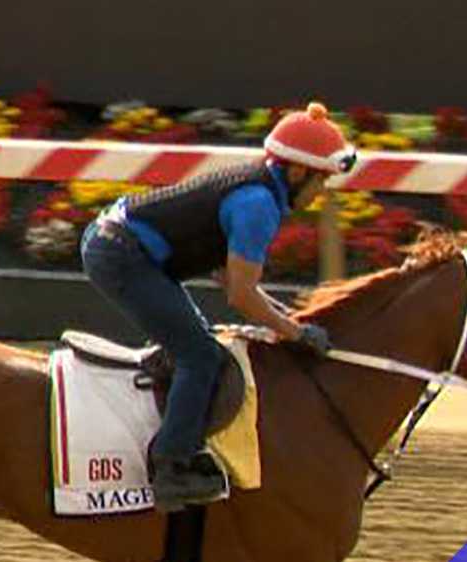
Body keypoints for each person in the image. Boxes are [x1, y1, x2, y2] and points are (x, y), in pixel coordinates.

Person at [80, 102, 357, 512]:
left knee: (200, 344)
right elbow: (241, 295)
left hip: (121, 245)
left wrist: (286, 321)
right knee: (200, 357)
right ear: (297, 172)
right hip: (122, 256)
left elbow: (233, 281)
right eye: (321, 181)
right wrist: (294, 332)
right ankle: (171, 468)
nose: (320, 194)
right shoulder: (258, 206)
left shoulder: (257, 187)